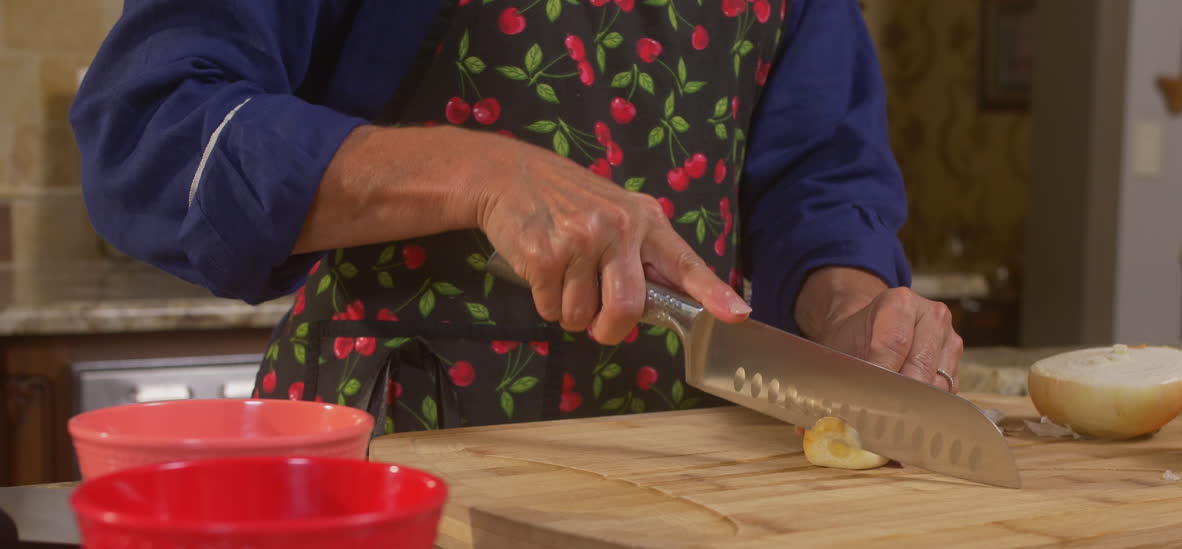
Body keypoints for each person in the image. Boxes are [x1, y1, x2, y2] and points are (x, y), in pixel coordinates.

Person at [69, 0, 962, 433]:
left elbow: (819, 178)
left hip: (693, 476)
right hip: (393, 468)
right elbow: (146, 131)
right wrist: (478, 171)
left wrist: (850, 312)